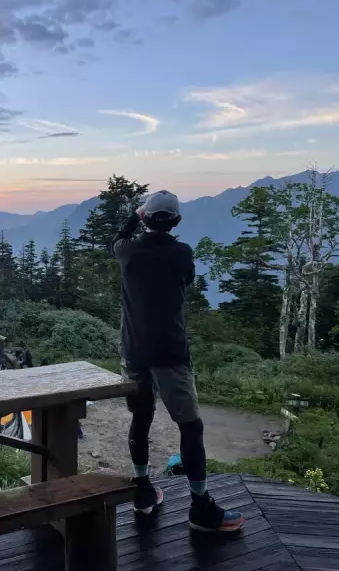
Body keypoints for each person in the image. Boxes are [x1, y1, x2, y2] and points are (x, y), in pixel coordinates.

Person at [113, 190, 244, 532]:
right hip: (170, 352)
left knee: (141, 419)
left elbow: (119, 237)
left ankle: (142, 492)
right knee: (190, 426)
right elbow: (186, 281)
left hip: (134, 352)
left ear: (144, 217)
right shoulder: (182, 253)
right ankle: (200, 506)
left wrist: (133, 214)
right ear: (177, 221)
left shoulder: (126, 252)